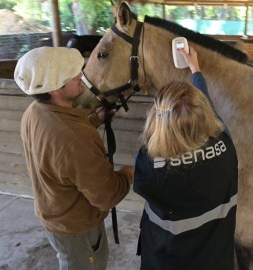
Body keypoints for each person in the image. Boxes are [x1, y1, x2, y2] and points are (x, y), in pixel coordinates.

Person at [14, 47, 134, 270]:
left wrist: (93, 120)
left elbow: (61, 148)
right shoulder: (75, 139)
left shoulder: (34, 111)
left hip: (56, 216)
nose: (81, 75)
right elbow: (107, 196)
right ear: (56, 89)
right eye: (73, 74)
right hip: (77, 228)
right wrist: (129, 172)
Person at [133, 46, 238, 269]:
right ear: (207, 116)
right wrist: (195, 70)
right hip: (217, 261)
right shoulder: (226, 144)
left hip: (165, 262)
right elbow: (209, 108)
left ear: (156, 120)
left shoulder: (149, 162)